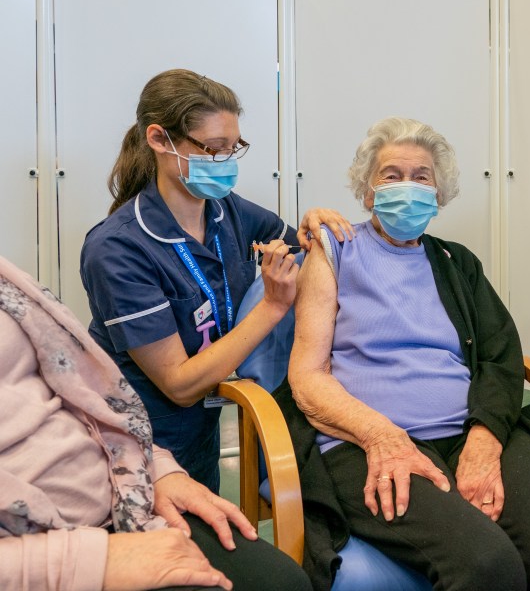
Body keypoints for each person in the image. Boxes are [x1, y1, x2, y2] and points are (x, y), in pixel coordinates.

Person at [286, 117, 530, 590]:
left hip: (467, 432)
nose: (408, 187)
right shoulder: (335, 251)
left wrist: (484, 439)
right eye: (391, 175)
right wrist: (383, 437)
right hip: (365, 442)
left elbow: (502, 358)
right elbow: (307, 376)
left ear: (438, 194)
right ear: (367, 191)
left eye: (421, 177)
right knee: (485, 566)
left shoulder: (455, 262)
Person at [80, 69, 351, 492]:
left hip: (198, 438)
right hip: (138, 447)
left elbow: (294, 245)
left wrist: (312, 226)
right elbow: (181, 385)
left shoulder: (227, 210)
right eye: (213, 148)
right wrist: (272, 308)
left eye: (233, 147)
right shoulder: (118, 248)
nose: (224, 161)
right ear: (158, 139)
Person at [0, 255, 310, 591]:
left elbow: (77, 393)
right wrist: (87, 560)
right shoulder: (117, 249)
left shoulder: (8, 280)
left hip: (127, 488)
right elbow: (179, 384)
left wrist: (154, 468)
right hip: (46, 550)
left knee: (283, 581)